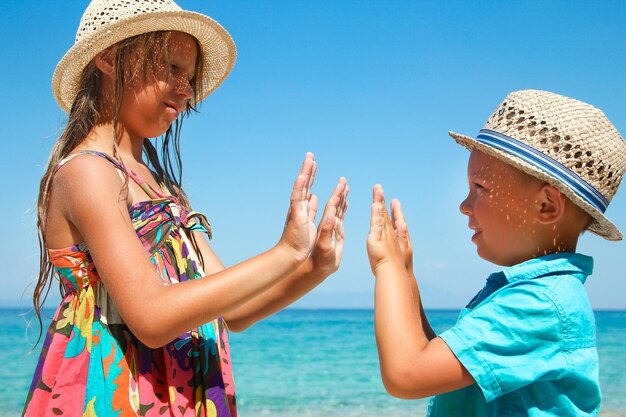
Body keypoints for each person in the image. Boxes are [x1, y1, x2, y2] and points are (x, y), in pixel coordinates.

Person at [24, 1, 349, 416]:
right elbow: (152, 317)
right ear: (108, 57)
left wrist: (311, 265)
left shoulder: (163, 189)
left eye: (191, 77)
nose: (187, 89)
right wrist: (284, 251)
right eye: (172, 68)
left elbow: (234, 311)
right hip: (109, 396)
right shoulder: (87, 172)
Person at [366, 89, 626, 416]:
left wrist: (386, 265)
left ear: (546, 205)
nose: (464, 206)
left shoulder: (540, 304)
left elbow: (406, 375)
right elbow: (431, 362)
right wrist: (405, 276)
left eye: (480, 188)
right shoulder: (535, 294)